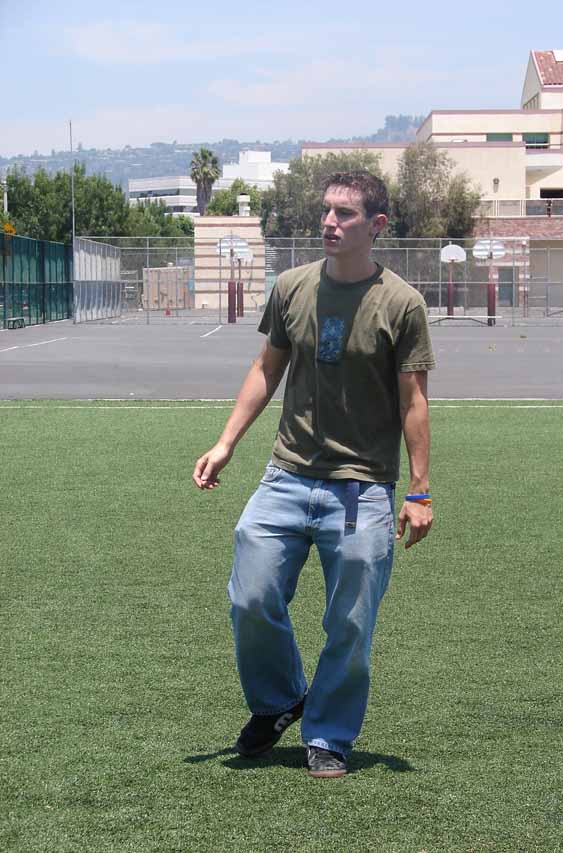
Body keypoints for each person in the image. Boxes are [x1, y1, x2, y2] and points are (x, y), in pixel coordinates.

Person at [193, 171, 435, 779]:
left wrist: (419, 490)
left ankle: (328, 733)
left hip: (362, 488)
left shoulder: (401, 303)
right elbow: (265, 369)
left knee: (349, 622)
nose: (329, 222)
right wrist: (225, 443)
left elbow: (414, 401)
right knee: (251, 597)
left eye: (345, 213)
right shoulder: (291, 287)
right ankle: (279, 702)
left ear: (376, 225)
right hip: (286, 476)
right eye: (326, 211)